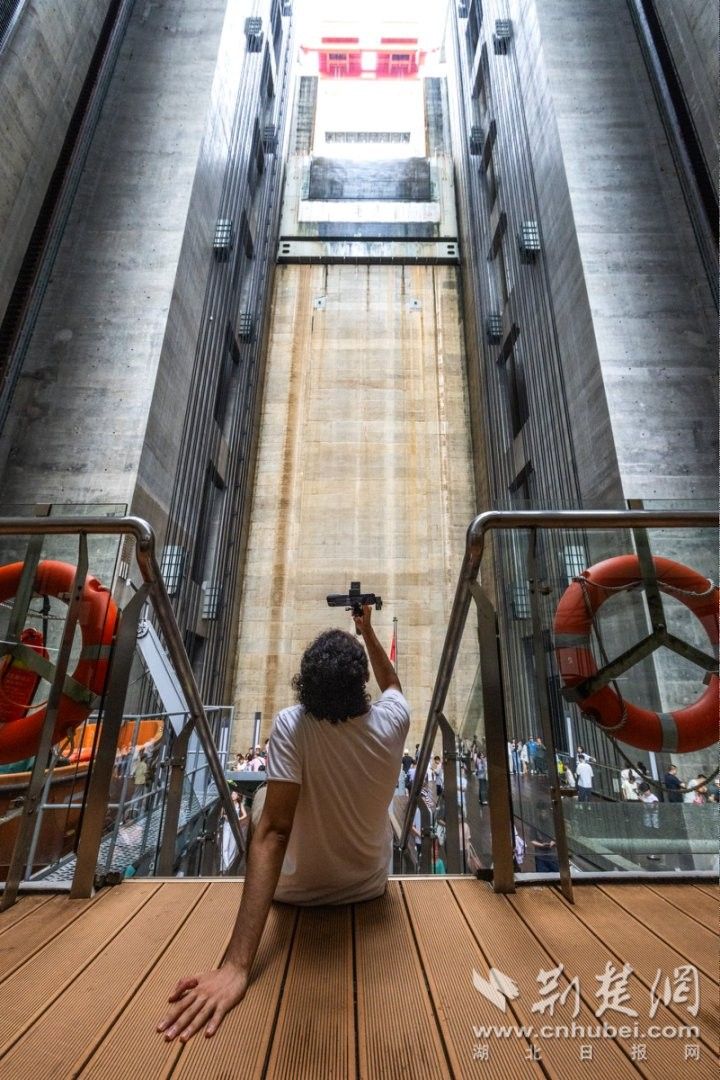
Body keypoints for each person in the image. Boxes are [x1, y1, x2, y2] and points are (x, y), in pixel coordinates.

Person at [158, 603, 409, 1042]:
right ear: (360, 686)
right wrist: (367, 630)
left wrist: (236, 965)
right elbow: (392, 683)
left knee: (264, 803)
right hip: (367, 888)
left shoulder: (292, 725)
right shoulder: (393, 721)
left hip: (293, 894)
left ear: (305, 686)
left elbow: (274, 832)